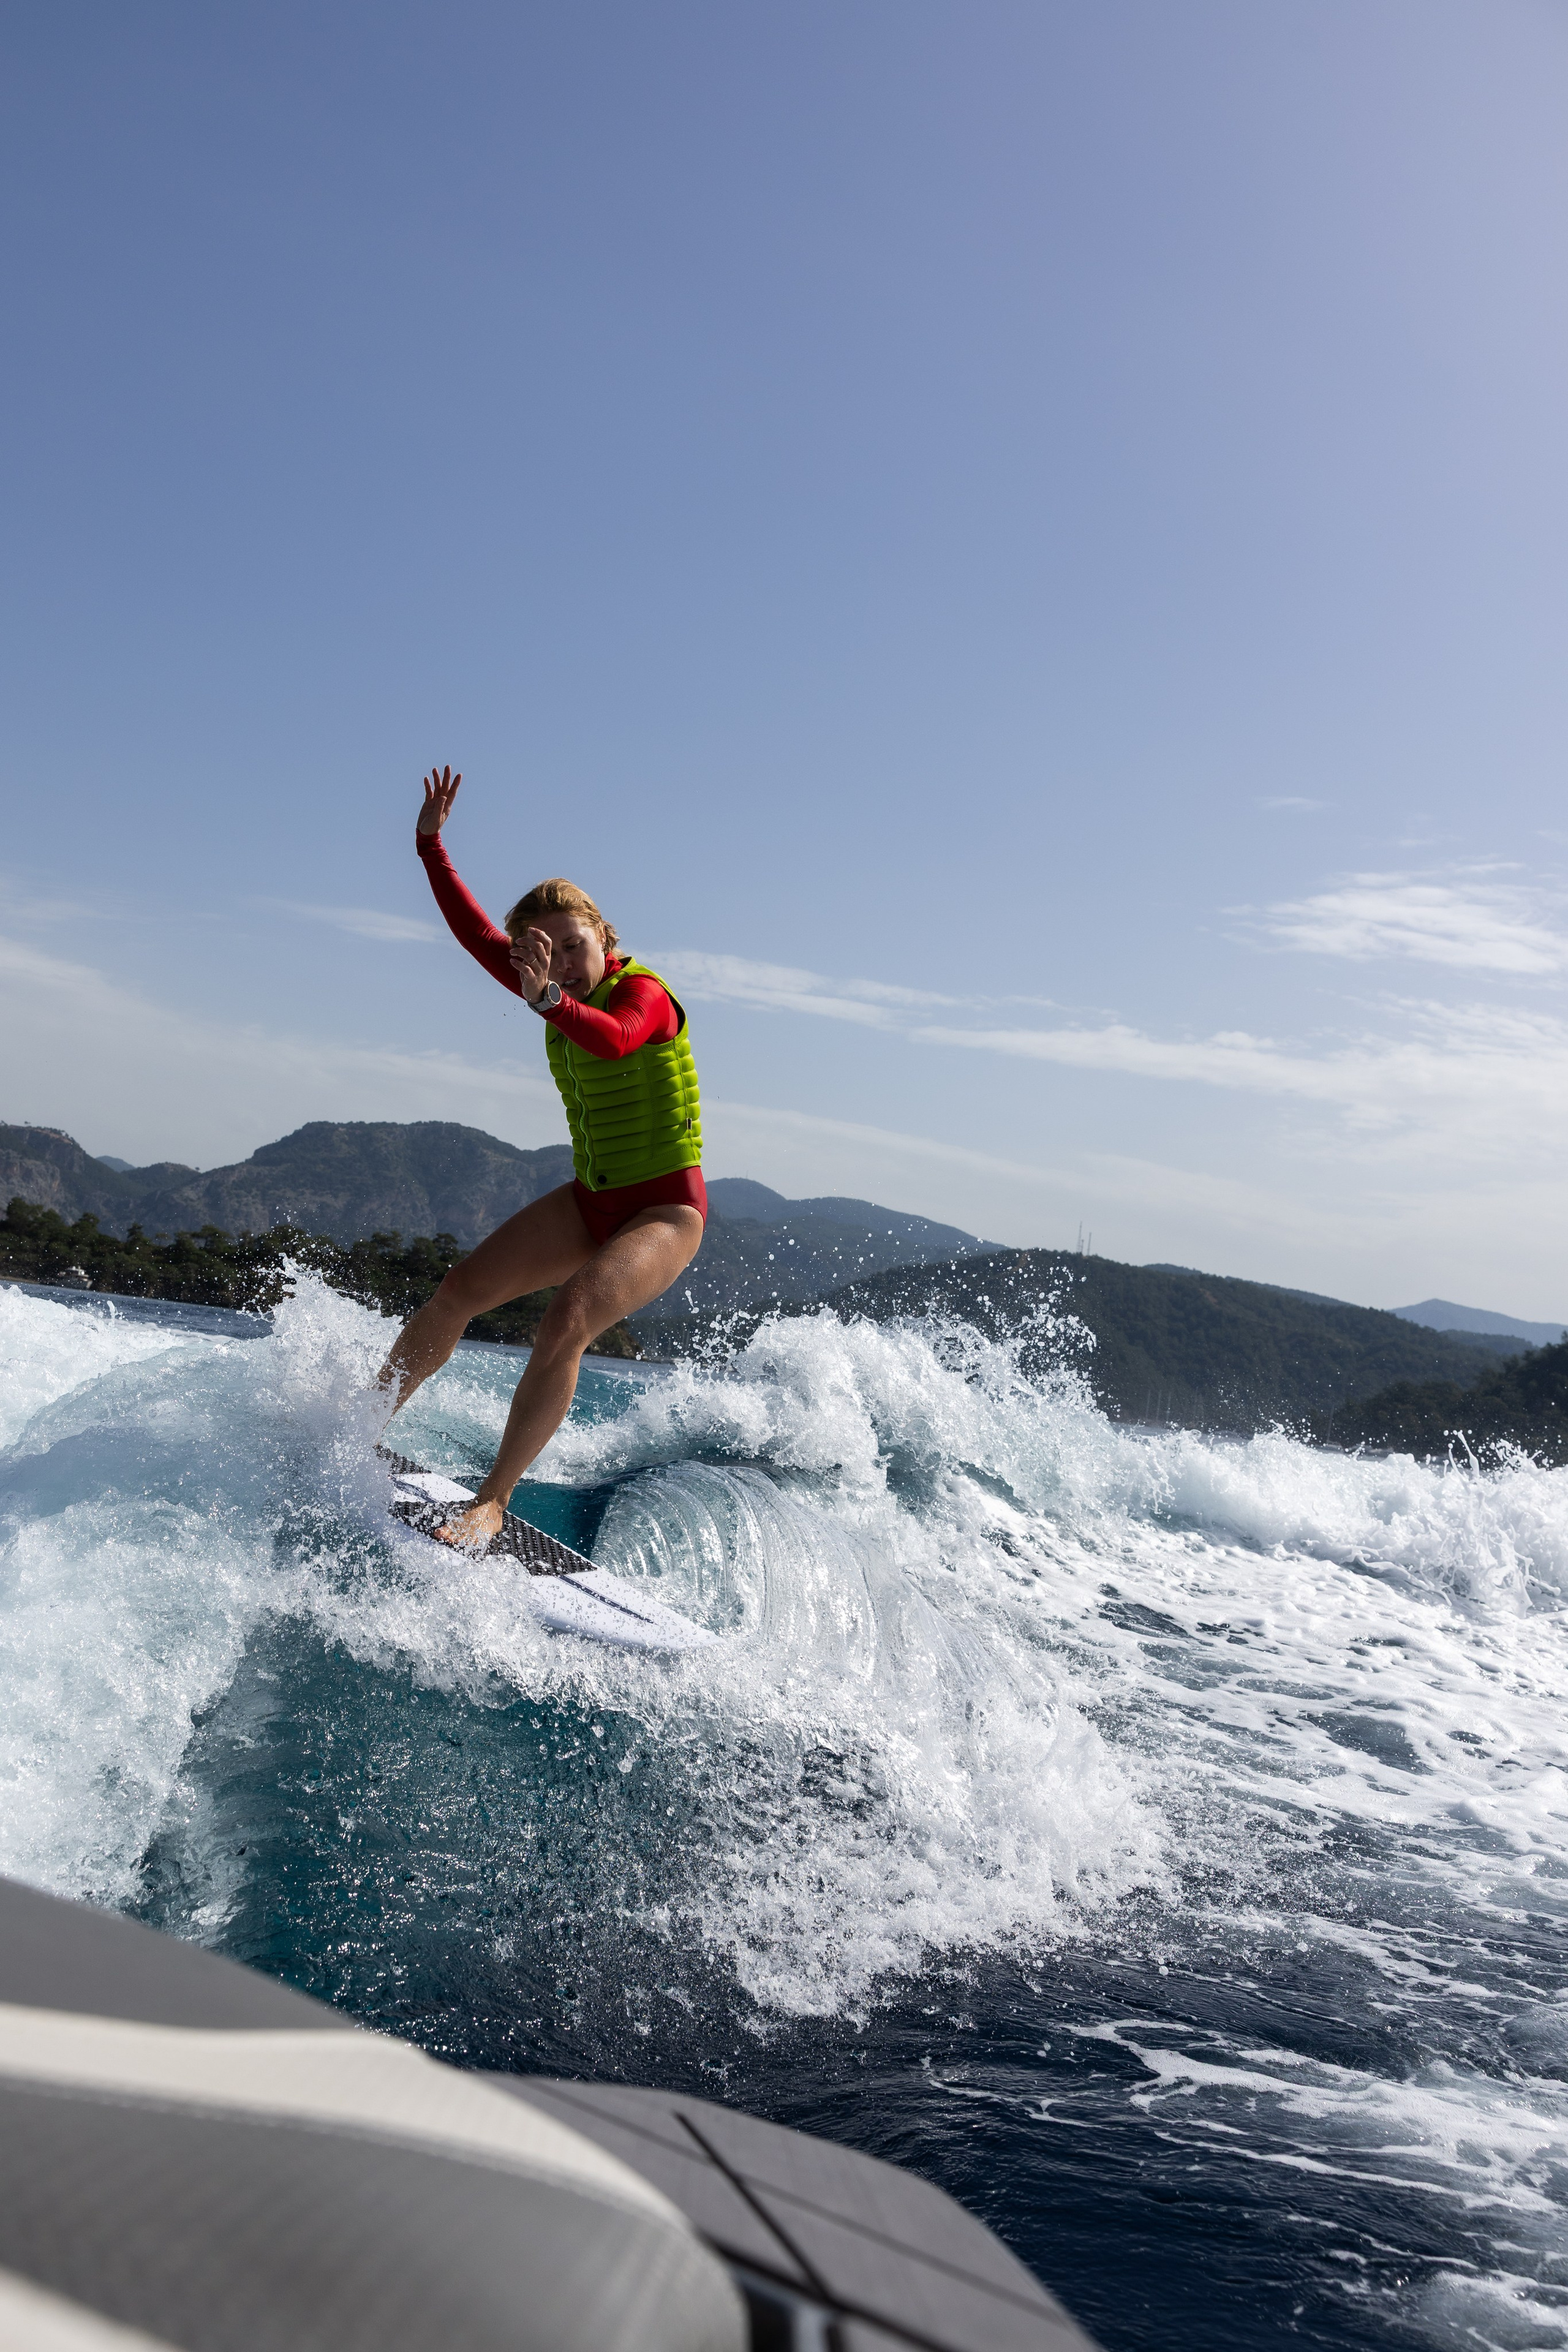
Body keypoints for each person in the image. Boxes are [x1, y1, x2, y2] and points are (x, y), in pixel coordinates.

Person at [378, 766, 705, 1548]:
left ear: (606, 936)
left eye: (574, 944)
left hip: (664, 1211)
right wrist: (430, 846)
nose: (562, 961)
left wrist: (549, 1000)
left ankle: (492, 1500)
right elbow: (472, 934)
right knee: (459, 1291)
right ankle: (357, 1422)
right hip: (591, 1199)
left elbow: (616, 1038)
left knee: (567, 1317)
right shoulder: (543, 986)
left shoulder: (644, 994)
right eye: (545, 953)